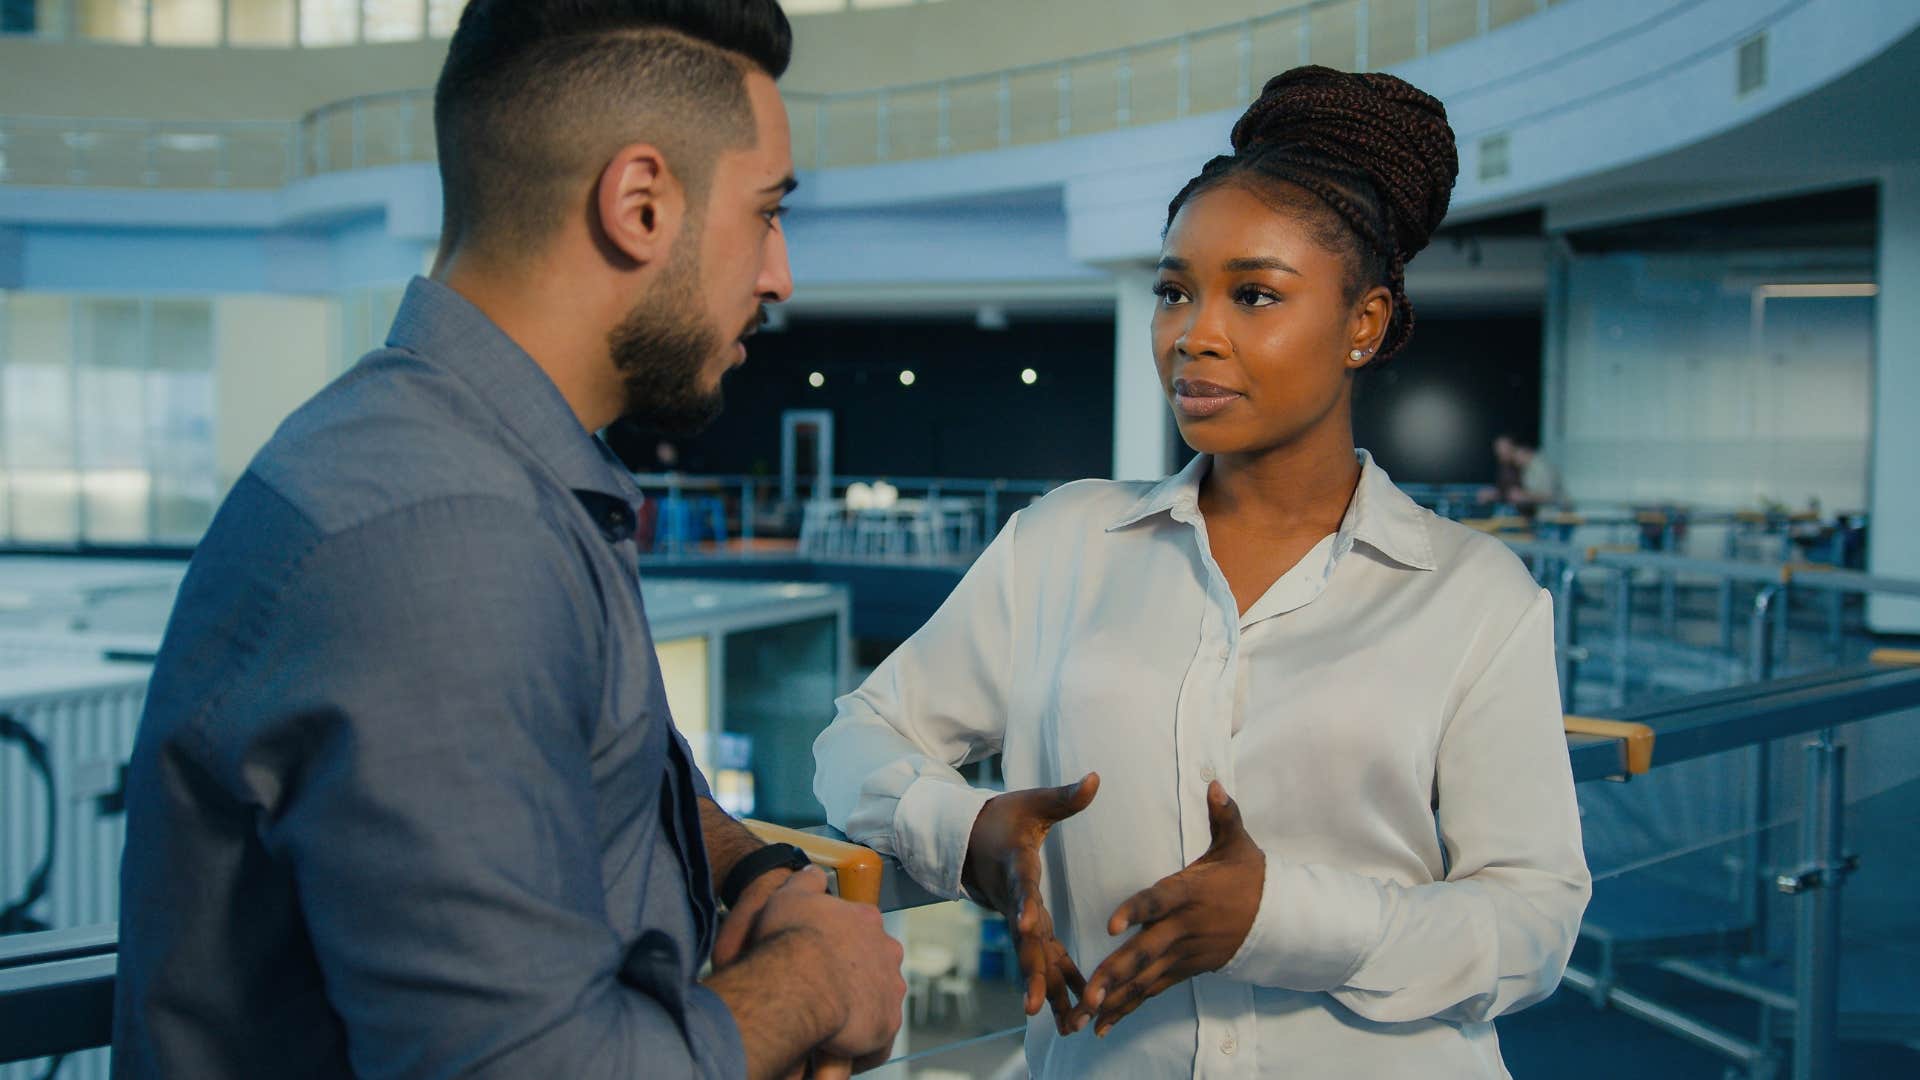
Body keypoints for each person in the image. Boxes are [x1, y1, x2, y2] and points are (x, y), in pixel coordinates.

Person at [114, 3, 905, 1078]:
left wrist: (757, 874)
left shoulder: (474, 467)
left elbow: (608, 769)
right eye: (766, 214)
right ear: (639, 204)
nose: (780, 274)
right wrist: (819, 979)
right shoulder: (446, 542)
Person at [814, 67, 1589, 1078]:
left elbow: (1534, 921)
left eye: (1254, 294)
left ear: (1363, 323)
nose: (1194, 334)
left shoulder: (1473, 593)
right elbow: (856, 739)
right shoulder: (1066, 544)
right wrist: (967, 834)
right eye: (1174, 291)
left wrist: (1283, 918)